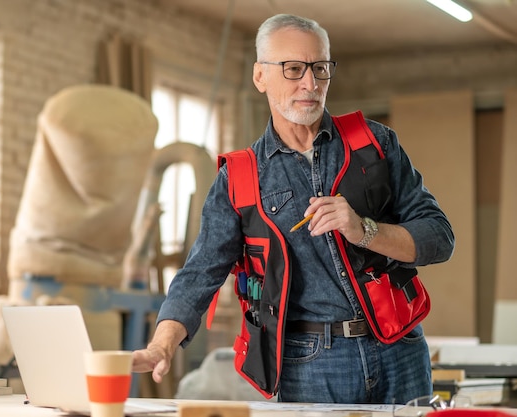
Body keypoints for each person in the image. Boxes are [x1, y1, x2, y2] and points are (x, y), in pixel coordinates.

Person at [132, 13, 454, 404]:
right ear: (260, 76)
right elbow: (200, 273)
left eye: (320, 68)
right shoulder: (240, 177)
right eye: (293, 68)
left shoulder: (375, 144)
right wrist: (162, 345)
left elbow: (439, 237)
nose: (311, 83)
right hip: (311, 364)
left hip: (400, 347)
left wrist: (364, 229)